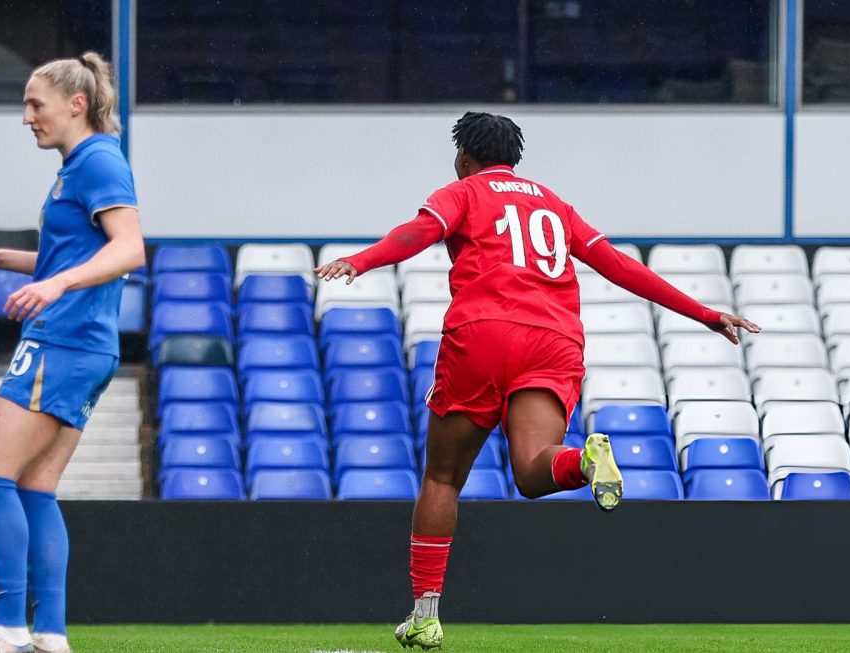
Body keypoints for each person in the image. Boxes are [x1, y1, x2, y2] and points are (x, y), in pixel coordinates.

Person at [315, 111, 761, 651]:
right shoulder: (554, 205)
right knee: (532, 471)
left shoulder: (463, 193)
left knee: (442, 479)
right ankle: (585, 461)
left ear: (464, 158)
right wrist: (706, 314)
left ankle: (425, 616)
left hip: (483, 334)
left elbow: (418, 232)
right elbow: (620, 267)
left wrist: (361, 262)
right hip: (554, 341)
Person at [0, 51, 144, 653]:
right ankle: (50, 636)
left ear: (76, 104)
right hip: (84, 344)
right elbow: (73, 255)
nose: (26, 117)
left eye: (35, 104)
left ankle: (9, 630)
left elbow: (129, 249)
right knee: (35, 488)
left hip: (62, 339)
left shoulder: (98, 160)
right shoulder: (82, 165)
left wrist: (56, 287)